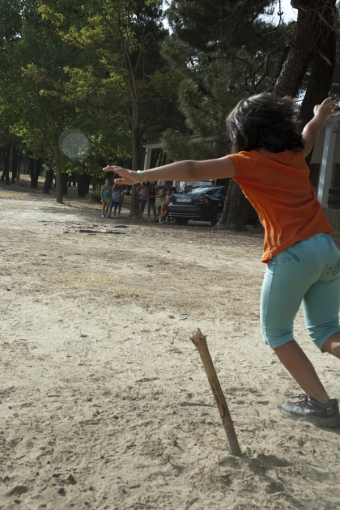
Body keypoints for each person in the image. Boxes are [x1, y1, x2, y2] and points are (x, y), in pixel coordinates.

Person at [103, 95, 340, 427]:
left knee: (277, 333)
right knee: (328, 331)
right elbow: (311, 132)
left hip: (293, 252)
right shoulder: (296, 153)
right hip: (327, 249)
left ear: (244, 132)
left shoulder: (245, 161)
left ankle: (323, 406)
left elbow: (192, 168)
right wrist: (321, 114)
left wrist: (140, 174)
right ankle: (321, 402)